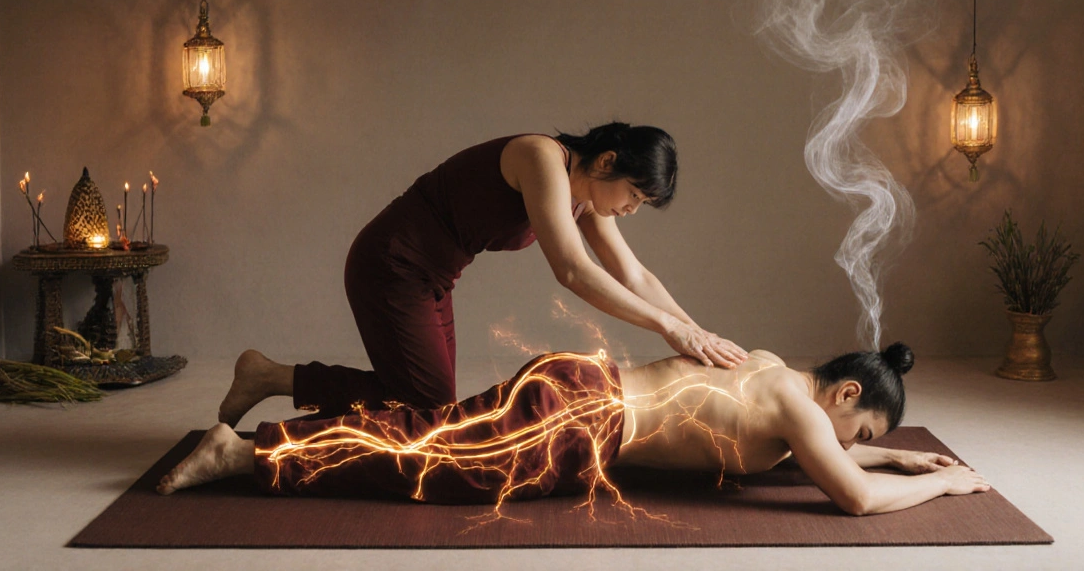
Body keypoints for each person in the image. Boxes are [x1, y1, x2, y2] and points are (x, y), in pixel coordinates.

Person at [218, 123, 749, 424]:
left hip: (432, 279)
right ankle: (276, 400)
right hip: (391, 264)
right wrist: (669, 329)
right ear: (608, 160)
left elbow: (634, 274)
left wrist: (697, 334)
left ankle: (270, 376)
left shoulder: (584, 200)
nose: (632, 209)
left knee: (429, 408)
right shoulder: (543, 158)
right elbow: (572, 270)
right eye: (634, 195)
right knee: (428, 412)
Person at [162, 343, 991, 516]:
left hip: (579, 382)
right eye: (861, 426)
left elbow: (822, 451)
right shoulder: (804, 418)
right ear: (844, 394)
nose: (849, 442)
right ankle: (245, 453)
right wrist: (949, 479)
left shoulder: (779, 370)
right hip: (579, 421)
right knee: (437, 464)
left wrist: (890, 452)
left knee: (433, 430)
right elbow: (847, 496)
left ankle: (271, 405)